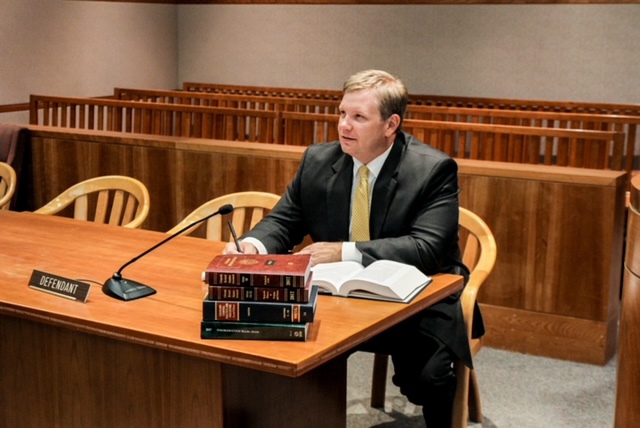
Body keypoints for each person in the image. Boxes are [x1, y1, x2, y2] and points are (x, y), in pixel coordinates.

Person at [223, 69, 482, 427]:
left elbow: (428, 248)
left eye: (359, 117)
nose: (344, 125)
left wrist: (344, 251)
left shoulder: (432, 169)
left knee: (427, 380)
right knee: (270, 347)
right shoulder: (318, 160)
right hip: (336, 295)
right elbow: (285, 220)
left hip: (416, 296)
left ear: (391, 124)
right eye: (342, 113)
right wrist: (252, 245)